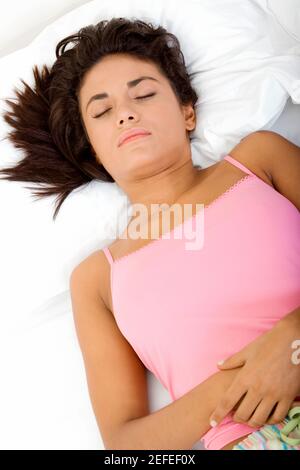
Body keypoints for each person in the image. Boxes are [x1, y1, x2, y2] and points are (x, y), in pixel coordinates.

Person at [0, 18, 299, 451]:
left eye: (143, 93)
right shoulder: (97, 280)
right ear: (94, 153)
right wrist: (245, 379)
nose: (125, 112)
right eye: (102, 111)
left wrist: (292, 339)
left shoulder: (260, 159)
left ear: (187, 112)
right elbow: (125, 449)